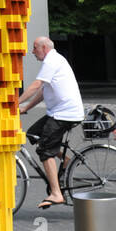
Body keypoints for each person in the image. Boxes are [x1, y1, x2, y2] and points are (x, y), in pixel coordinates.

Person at [19, 37, 85, 209]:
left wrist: (14, 103)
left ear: (44, 48)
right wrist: (25, 107)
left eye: (34, 48)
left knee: (45, 150)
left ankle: (56, 193)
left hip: (65, 114)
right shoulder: (53, 60)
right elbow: (43, 90)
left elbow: (36, 85)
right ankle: (67, 160)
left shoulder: (52, 61)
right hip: (59, 112)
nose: (32, 52)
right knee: (33, 133)